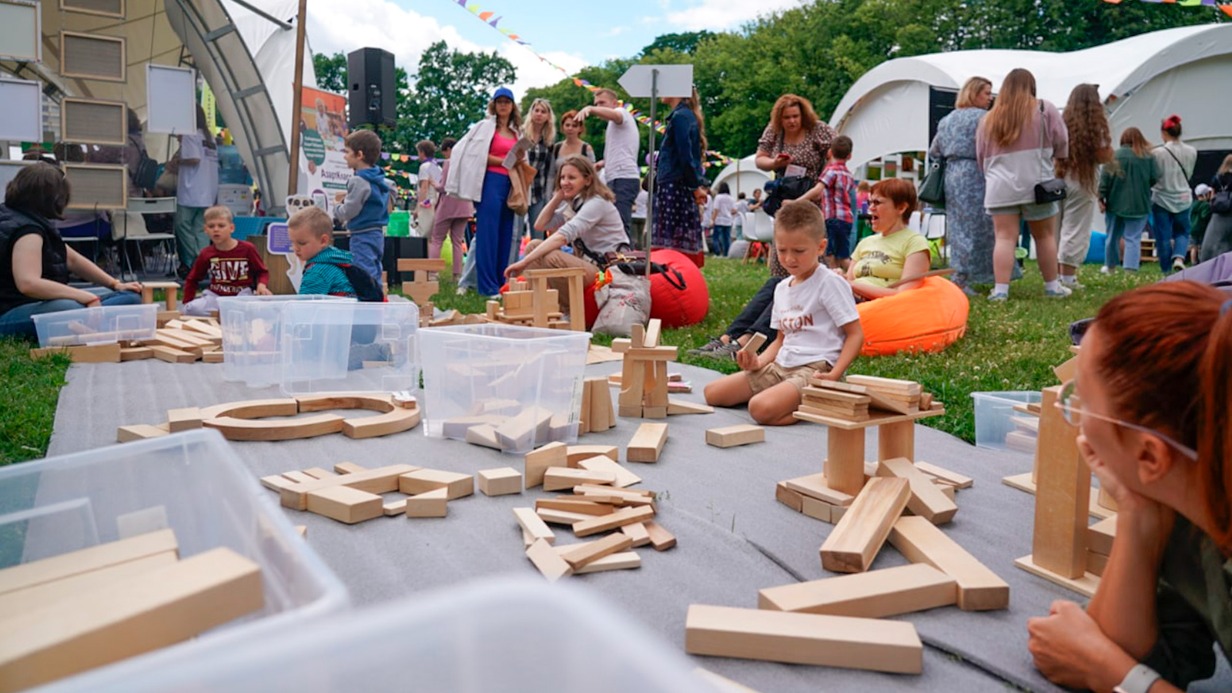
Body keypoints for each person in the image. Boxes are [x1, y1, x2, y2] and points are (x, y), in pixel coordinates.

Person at [1026, 280, 1232, 693]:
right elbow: (1150, 653)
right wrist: (1137, 509)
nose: (1076, 419)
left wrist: (1110, 672)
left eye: (1082, 402)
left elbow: (1110, 660)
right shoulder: (1191, 507)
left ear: (1152, 455)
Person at [702, 200, 863, 426]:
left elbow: (855, 334)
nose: (789, 259)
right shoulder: (781, 288)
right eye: (782, 250)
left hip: (815, 369)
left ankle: (822, 400)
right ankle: (790, 397)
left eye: (799, 251)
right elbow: (780, 340)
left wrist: (834, 375)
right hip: (781, 366)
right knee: (713, 393)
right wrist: (758, 362)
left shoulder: (830, 283)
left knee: (759, 409)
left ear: (820, 247)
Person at [0, 163, 142, 339]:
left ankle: (84, 323)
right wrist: (87, 297)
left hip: (34, 304)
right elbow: (28, 283)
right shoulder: (28, 232)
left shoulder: (22, 218)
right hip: (9, 313)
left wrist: (115, 284)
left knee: (128, 296)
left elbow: (73, 259)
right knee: (69, 308)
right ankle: (88, 324)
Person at [976, 68, 1070, 301]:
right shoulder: (1044, 108)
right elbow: (1062, 141)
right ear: (1031, 86)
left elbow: (981, 155)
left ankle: (1000, 290)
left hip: (1000, 186)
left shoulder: (988, 118)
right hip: (1037, 184)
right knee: (1045, 236)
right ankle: (1052, 286)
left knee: (1004, 238)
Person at [504, 156, 627, 314]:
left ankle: (568, 311)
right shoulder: (575, 203)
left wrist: (523, 263)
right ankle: (536, 307)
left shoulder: (596, 203)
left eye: (571, 178)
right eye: (562, 177)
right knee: (533, 245)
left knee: (552, 258)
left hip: (607, 271)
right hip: (589, 265)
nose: (565, 182)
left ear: (588, 180)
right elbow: (540, 225)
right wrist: (557, 197)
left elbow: (562, 236)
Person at [446, 87, 523, 298]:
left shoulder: (517, 132)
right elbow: (473, 154)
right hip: (490, 180)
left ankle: (499, 282)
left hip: (511, 182)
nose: (503, 105)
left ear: (513, 105)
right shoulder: (484, 128)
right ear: (494, 104)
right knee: (488, 233)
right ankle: (486, 285)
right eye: (500, 101)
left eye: (507, 101)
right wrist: (504, 161)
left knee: (506, 234)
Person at [928, 77, 996, 292]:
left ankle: (960, 274)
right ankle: (974, 276)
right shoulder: (984, 118)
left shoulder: (947, 119)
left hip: (952, 174)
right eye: (986, 93)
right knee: (981, 227)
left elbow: (934, 151)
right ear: (974, 93)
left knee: (959, 228)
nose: (990, 98)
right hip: (977, 173)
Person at [1055, 83, 1113, 288]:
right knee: (1075, 228)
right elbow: (1104, 155)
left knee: (1056, 227)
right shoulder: (1096, 126)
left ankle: (1054, 277)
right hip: (1082, 179)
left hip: (1059, 177)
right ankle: (1068, 277)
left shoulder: (1061, 121)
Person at [846, 178, 932, 300]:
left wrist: (853, 286)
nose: (870, 208)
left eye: (877, 203)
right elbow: (849, 281)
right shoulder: (865, 242)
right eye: (870, 202)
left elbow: (905, 296)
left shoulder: (915, 242)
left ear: (901, 208)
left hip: (883, 310)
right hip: (851, 304)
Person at [575, 88, 640, 243]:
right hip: (616, 178)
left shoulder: (621, 112)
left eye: (602, 103)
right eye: (596, 103)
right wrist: (602, 164)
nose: (599, 106)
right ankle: (618, 262)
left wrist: (591, 109)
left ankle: (625, 263)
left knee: (620, 227)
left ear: (615, 103)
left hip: (623, 178)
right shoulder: (614, 126)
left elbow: (616, 115)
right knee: (614, 225)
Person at [652, 87, 707, 267]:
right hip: (676, 182)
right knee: (676, 235)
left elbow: (686, 155)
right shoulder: (683, 115)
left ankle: (676, 271)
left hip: (675, 184)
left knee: (672, 237)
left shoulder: (680, 117)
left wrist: (694, 186)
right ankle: (677, 270)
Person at [180, 206, 271, 315]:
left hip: (241, 296)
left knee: (259, 308)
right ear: (205, 230)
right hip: (215, 296)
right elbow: (192, 279)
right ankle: (225, 313)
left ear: (231, 228)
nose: (216, 229)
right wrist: (187, 302)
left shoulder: (247, 248)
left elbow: (262, 271)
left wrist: (261, 285)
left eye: (221, 226)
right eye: (211, 226)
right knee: (191, 309)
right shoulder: (206, 253)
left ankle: (227, 313)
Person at [332, 129, 393, 284]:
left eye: (347, 152)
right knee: (374, 269)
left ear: (359, 155)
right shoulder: (379, 178)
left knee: (363, 272)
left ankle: (368, 303)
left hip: (361, 234)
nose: (345, 156)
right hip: (377, 233)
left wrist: (336, 207)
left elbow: (349, 211)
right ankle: (377, 298)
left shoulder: (358, 181)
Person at [1099, 128, 1160, 273]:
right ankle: (1130, 269)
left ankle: (1110, 267)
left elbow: (1104, 181)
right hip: (1140, 204)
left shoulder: (1114, 156)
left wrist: (1101, 198)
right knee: (1133, 238)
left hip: (1114, 204)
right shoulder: (1149, 157)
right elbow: (1155, 178)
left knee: (1112, 237)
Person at [173, 105, 219, 276]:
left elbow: (193, 158)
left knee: (182, 225)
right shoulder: (210, 137)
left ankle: (196, 258)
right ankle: (204, 263)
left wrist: (177, 162)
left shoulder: (189, 134)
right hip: (208, 189)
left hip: (191, 190)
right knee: (201, 229)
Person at [802, 135, 857, 271]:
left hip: (832, 219)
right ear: (849, 156)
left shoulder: (831, 171)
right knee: (843, 257)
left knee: (830, 256)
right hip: (846, 220)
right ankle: (858, 279)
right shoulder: (849, 175)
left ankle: (835, 279)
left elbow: (817, 190)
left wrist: (798, 201)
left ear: (830, 153)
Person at [1151, 114, 1198, 274]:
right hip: (1184, 197)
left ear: (1164, 133)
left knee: (1163, 236)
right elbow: (1189, 174)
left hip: (1162, 198)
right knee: (1183, 232)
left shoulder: (1157, 153)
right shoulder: (1192, 151)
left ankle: (1165, 270)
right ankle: (1178, 257)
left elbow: (1154, 176)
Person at [290, 206, 356, 298]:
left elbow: (305, 307)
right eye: (292, 242)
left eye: (301, 243)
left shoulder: (318, 271)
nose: (295, 248)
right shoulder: (335, 260)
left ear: (323, 241)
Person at [430, 137, 472, 279]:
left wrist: (434, 184)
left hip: (449, 205)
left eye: (444, 153)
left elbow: (444, 187)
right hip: (465, 205)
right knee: (457, 241)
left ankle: (433, 272)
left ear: (448, 149)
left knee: (437, 239)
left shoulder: (449, 163)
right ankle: (457, 274)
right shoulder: (468, 163)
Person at [524, 99, 556, 242]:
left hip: (539, 191)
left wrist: (549, 198)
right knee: (515, 233)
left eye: (543, 111)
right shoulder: (522, 134)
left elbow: (549, 172)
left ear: (548, 116)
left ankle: (537, 264)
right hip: (520, 189)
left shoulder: (548, 141)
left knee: (538, 234)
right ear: (531, 113)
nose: (539, 114)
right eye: (536, 110)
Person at [1200, 154, 1232, 262]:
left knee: (1216, 238)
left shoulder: (1217, 177)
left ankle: (1212, 260)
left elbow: (1212, 195)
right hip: (1230, 213)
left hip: (1218, 214)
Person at [414, 140, 440, 240]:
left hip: (427, 203)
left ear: (422, 152)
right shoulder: (437, 167)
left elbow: (424, 188)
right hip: (436, 203)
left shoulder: (425, 167)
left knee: (424, 235)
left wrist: (417, 208)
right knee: (434, 236)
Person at [710, 182, 736, 258]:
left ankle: (717, 252)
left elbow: (716, 210)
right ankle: (726, 253)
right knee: (727, 238)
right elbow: (734, 210)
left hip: (719, 220)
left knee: (716, 237)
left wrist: (712, 220)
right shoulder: (731, 198)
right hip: (728, 220)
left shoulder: (718, 197)